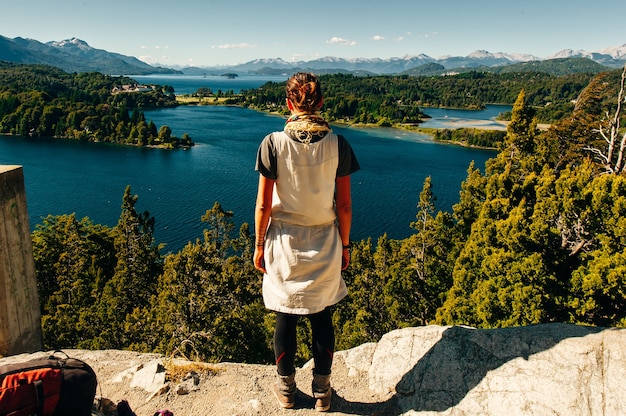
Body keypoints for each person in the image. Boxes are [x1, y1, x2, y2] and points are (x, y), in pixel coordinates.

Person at [254, 72, 360, 412]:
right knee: (322, 315)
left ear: (288, 104)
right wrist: (344, 245)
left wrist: (258, 245)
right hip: (326, 239)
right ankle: (322, 393)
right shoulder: (338, 144)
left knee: (285, 316)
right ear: (322, 103)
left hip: (284, 243)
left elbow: (263, 205)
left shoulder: (273, 143)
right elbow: (343, 205)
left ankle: (286, 391)